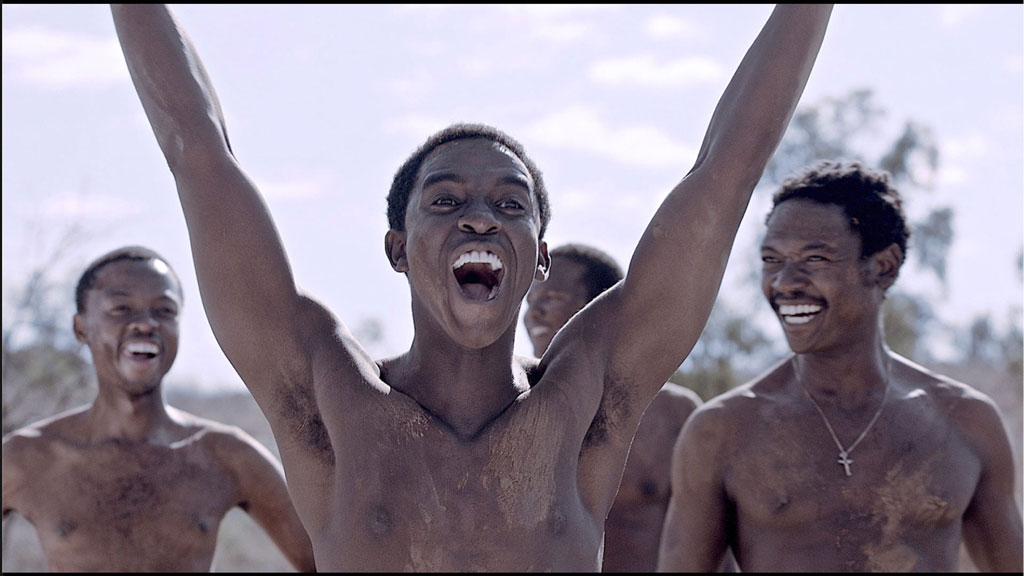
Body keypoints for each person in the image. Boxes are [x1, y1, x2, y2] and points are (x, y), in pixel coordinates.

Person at [110, 4, 832, 571]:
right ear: (398, 248)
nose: (480, 217)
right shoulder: (329, 397)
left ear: (539, 257)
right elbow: (198, 151)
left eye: (510, 204)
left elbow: (728, 168)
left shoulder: (585, 400)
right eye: (447, 201)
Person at [657, 160, 1024, 572]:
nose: (784, 282)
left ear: (883, 266)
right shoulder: (723, 430)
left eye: (815, 258)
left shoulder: (964, 421)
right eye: (772, 260)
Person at [1, 246, 317, 573]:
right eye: (121, 308)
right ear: (81, 329)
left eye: (164, 310)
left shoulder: (226, 456)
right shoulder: (27, 457)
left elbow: (326, 558)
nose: (145, 323)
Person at [524, 243, 702, 572]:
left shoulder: (673, 414)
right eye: (530, 301)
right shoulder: (514, 409)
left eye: (553, 297)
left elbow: (711, 543)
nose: (533, 312)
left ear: (600, 309)